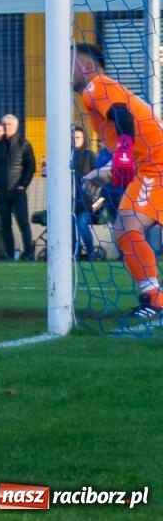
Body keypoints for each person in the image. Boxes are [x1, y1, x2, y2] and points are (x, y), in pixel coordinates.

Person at [72, 42, 163, 321]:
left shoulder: (94, 86)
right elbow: (132, 137)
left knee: (126, 227)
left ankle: (155, 300)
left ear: (87, 66)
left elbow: (121, 114)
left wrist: (122, 148)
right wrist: (104, 171)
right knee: (127, 227)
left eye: (69, 62)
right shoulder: (102, 89)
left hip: (156, 166)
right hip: (151, 164)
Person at [0, 113, 36, 261]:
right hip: (2, 192)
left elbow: (31, 166)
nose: (6, 127)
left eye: (9, 125)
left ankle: (29, 253)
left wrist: (23, 185)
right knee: (5, 224)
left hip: (18, 191)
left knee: (23, 223)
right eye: (4, 125)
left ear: (16, 126)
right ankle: (9, 254)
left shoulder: (24, 144)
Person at [70, 126, 100, 261]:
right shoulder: (67, 155)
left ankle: (90, 253)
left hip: (88, 203)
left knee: (82, 225)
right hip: (71, 202)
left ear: (84, 139)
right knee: (70, 228)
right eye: (72, 138)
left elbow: (100, 179)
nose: (74, 140)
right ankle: (72, 254)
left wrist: (98, 204)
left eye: (77, 137)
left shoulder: (89, 155)